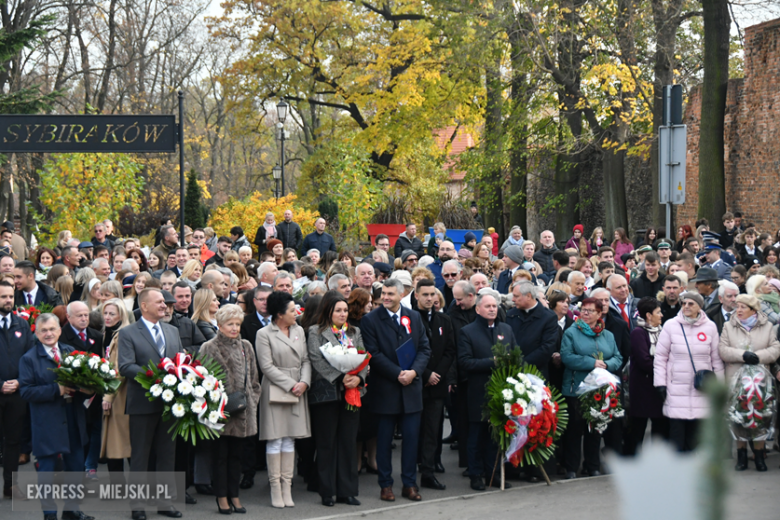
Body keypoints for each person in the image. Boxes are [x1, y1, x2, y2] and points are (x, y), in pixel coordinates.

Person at [360, 279, 431, 502]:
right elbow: (373, 352)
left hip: (411, 389)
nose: (386, 297)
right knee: (384, 441)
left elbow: (424, 349)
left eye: (391, 293)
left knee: (411, 440)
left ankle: (409, 484)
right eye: (384, 294)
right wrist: (397, 374)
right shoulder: (370, 320)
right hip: (386, 389)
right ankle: (386, 484)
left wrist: (414, 372)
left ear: (402, 294)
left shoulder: (414, 316)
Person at [19, 313, 95, 520]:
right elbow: (26, 391)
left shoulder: (70, 352)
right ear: (36, 332)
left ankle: (71, 509)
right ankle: (50, 513)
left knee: (76, 466)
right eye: (43, 330)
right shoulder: (29, 359)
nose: (48, 334)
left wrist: (89, 388)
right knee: (46, 470)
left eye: (52, 329)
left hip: (73, 417)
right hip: (46, 421)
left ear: (60, 330)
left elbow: (83, 379)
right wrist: (56, 390)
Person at [118, 288, 185, 519]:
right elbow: (125, 366)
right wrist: (156, 375)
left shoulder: (172, 331)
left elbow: (181, 361)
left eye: (165, 303)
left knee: (167, 454)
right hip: (142, 403)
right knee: (140, 457)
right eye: (158, 302)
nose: (164, 306)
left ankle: (165, 503)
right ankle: (137, 506)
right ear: (144, 306)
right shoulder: (128, 333)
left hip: (170, 405)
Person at [306, 291, 368, 507]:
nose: (343, 314)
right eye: (338, 310)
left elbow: (364, 357)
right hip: (327, 394)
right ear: (328, 311)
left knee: (348, 442)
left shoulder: (354, 331)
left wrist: (358, 377)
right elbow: (316, 360)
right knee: (327, 443)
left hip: (352, 393)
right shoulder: (315, 332)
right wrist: (341, 377)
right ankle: (327, 491)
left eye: (345, 310)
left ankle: (347, 491)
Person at [199, 304, 261, 513]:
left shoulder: (246, 346)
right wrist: (215, 405)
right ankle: (222, 497)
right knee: (220, 457)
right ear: (219, 325)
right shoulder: (209, 347)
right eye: (229, 324)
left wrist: (253, 397)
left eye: (237, 324)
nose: (234, 328)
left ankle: (234, 495)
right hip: (221, 411)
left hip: (243, 410)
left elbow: (253, 377)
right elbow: (203, 379)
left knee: (237, 456)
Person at [255, 291, 311, 509]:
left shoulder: (299, 330)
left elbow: (306, 359)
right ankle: (275, 488)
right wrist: (291, 384)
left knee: (290, 438)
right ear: (279, 314)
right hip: (276, 390)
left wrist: (304, 382)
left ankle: (287, 487)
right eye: (291, 310)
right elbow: (266, 366)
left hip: (298, 388)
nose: (296, 313)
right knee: (275, 439)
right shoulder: (263, 334)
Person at [458, 291, 516, 490]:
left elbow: (516, 355)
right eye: (488, 306)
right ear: (478, 309)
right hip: (479, 391)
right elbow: (465, 362)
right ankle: (476, 475)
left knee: (496, 436)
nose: (492, 309)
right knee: (476, 435)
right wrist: (492, 362)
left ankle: (494, 474)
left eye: (495, 306)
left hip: (503, 391)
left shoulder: (506, 329)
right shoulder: (468, 331)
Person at [654, 292, 724, 453]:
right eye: (684, 303)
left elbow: (716, 361)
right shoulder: (671, 325)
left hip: (702, 389)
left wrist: (719, 388)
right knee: (677, 434)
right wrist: (660, 384)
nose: (686, 306)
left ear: (700, 306)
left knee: (696, 436)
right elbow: (660, 358)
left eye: (691, 304)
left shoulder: (710, 327)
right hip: (676, 388)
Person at [560, 297, 622, 479]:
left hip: (600, 388)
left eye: (590, 311)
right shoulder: (571, 332)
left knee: (595, 428)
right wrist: (592, 363)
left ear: (600, 313)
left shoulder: (608, 335)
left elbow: (618, 357)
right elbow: (567, 357)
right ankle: (571, 467)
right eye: (583, 310)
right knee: (574, 429)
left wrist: (606, 364)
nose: (585, 314)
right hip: (577, 388)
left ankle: (592, 465)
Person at [717, 294, 780, 471]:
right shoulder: (729, 326)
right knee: (738, 417)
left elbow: (775, 348)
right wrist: (742, 355)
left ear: (753, 310)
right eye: (737, 306)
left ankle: (759, 456)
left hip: (760, 382)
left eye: (743, 307)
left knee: (759, 417)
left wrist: (758, 357)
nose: (739, 310)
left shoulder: (767, 327)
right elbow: (723, 349)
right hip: (736, 381)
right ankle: (742, 456)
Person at [414, 279, 455, 491]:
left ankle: (428, 472)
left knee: (432, 430)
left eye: (432, 295)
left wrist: (437, 374)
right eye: (425, 295)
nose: (430, 299)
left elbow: (450, 350)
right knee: (414, 430)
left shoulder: (444, 320)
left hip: (437, 384)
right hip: (416, 383)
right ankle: (412, 470)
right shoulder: (409, 319)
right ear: (416, 296)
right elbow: (410, 351)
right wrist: (427, 373)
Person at [60, 301, 104, 479]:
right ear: (69, 317)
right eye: (79, 315)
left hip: (94, 393)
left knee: (94, 427)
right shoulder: (62, 336)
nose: (84, 318)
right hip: (73, 395)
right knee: (77, 432)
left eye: (86, 315)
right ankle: (74, 470)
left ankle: (89, 465)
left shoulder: (96, 335)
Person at [0, 280, 34, 498]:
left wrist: (21, 382)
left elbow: (30, 358)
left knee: (13, 441)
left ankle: (10, 485)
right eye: (3, 297)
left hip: (16, 394)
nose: (8, 300)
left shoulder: (22, 325)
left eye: (10, 296)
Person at [625, 297, 669, 456]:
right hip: (643, 388)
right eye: (658, 312)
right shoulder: (638, 333)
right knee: (638, 427)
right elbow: (644, 361)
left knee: (660, 426)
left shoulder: (663, 331)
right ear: (648, 315)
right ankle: (632, 459)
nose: (662, 315)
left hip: (658, 387)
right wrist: (665, 368)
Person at [99, 299, 132, 483]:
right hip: (110, 390)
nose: (108, 317)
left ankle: (119, 484)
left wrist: (109, 396)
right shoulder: (107, 333)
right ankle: (117, 483)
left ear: (122, 315)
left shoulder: (121, 335)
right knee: (116, 441)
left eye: (112, 313)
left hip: (119, 394)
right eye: (105, 313)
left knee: (118, 441)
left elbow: (119, 370)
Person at [506, 281, 559, 379]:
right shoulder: (511, 315)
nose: (513, 300)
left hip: (535, 373)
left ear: (529, 296)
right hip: (511, 371)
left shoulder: (548, 317)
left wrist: (521, 364)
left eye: (516, 296)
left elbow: (547, 347)